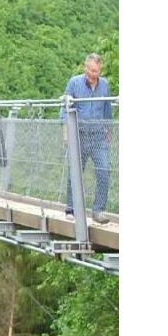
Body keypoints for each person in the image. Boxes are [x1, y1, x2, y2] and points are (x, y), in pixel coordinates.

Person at [60, 53, 113, 222]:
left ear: (100, 70)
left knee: (104, 171)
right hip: (80, 134)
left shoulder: (104, 85)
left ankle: (98, 211)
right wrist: (66, 132)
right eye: (91, 71)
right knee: (75, 172)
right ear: (85, 68)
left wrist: (108, 129)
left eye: (96, 71)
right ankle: (71, 209)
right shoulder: (74, 82)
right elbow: (65, 108)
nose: (93, 74)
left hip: (98, 135)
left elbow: (107, 108)